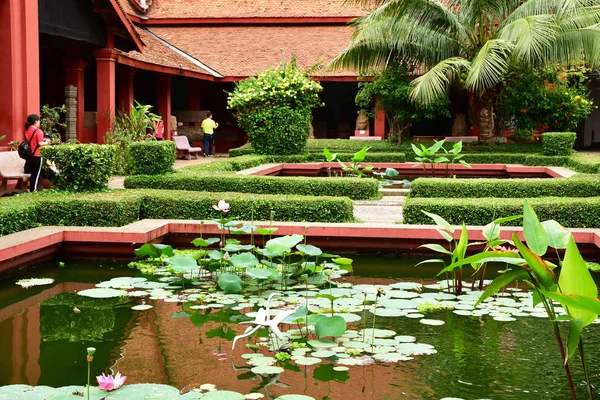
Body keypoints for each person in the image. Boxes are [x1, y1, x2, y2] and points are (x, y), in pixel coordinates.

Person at [23, 114, 50, 192]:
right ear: (35, 121)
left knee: (34, 173)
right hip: (37, 155)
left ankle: (33, 189)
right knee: (36, 174)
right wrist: (47, 142)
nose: (39, 123)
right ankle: (33, 190)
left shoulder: (27, 130)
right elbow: (40, 143)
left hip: (30, 155)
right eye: (39, 121)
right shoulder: (38, 131)